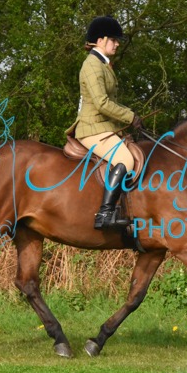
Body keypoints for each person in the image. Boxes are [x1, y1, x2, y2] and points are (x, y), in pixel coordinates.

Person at [66, 16, 143, 230]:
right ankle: (105, 214)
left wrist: (130, 118)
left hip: (104, 127)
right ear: (100, 40)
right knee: (125, 159)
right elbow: (102, 103)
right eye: (113, 40)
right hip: (91, 128)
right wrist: (129, 116)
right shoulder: (92, 65)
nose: (117, 44)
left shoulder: (103, 64)